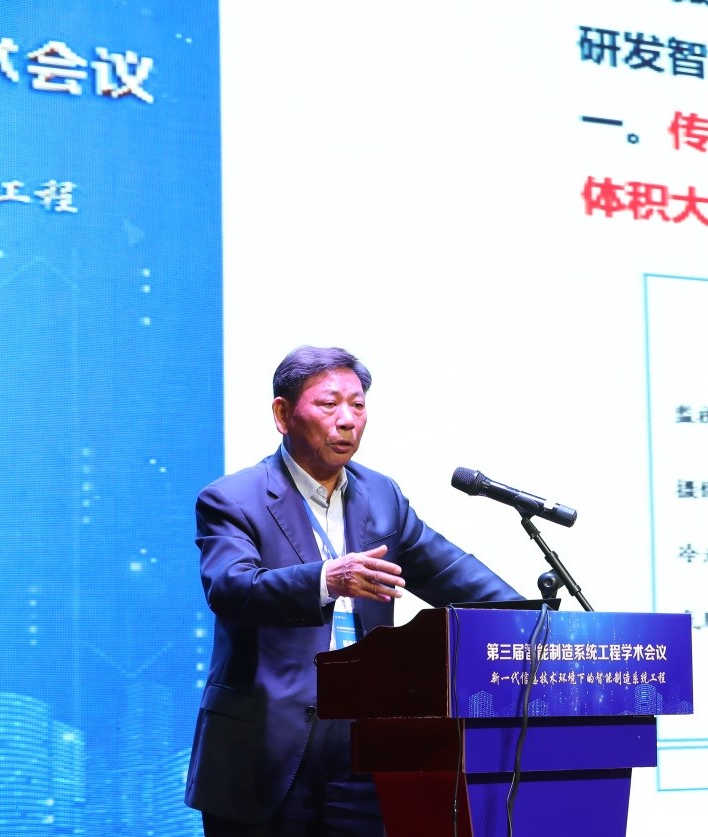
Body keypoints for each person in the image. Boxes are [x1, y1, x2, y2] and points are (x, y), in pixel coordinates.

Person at [184, 346, 522, 836]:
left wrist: (533, 622)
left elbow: (453, 573)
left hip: (364, 747)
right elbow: (232, 590)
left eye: (358, 405)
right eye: (329, 404)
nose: (347, 420)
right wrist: (326, 579)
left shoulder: (381, 496)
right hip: (263, 750)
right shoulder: (232, 499)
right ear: (283, 414)